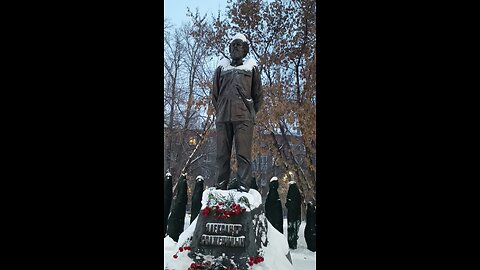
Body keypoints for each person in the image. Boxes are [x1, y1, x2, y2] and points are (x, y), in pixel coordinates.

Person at [212, 33, 263, 192]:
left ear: (245, 49)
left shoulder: (251, 67)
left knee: (243, 155)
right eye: (233, 45)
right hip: (223, 117)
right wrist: (221, 108)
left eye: (238, 44)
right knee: (222, 155)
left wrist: (249, 112)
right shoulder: (221, 67)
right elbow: (215, 94)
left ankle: (243, 187)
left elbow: (258, 95)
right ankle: (220, 187)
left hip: (244, 118)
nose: (235, 47)